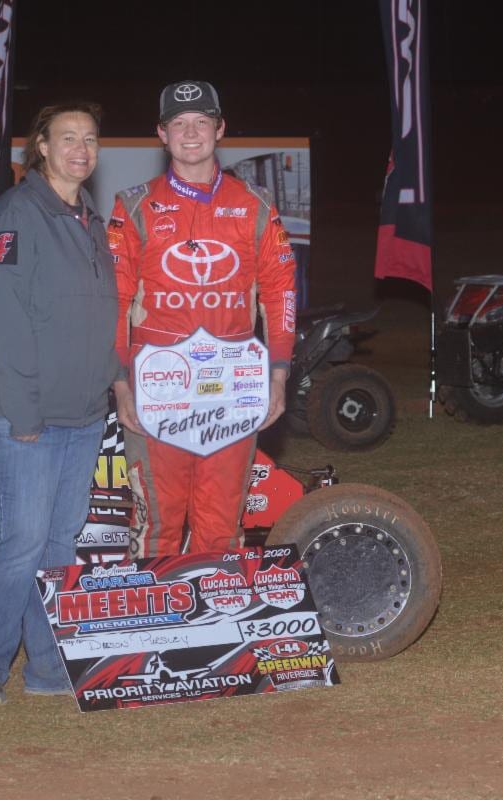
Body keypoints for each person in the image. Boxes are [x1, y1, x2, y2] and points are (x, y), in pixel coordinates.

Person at [0, 103, 119, 706]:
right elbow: (1, 324)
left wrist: (109, 387)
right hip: (19, 414)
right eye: (68, 138)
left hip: (80, 415)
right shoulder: (14, 216)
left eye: (91, 139)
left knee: (57, 546)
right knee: (20, 543)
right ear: (42, 149)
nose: (81, 149)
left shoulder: (88, 222)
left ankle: (49, 668)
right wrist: (23, 415)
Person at [108, 80, 297, 557]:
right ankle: (153, 628)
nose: (191, 133)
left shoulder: (255, 204)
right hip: (156, 386)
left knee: (220, 529)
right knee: (158, 528)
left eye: (202, 122)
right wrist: (120, 384)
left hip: (232, 386)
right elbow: (112, 302)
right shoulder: (133, 205)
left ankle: (217, 623)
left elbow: (281, 294)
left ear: (220, 128)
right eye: (179, 123)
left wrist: (278, 375)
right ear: (162, 134)